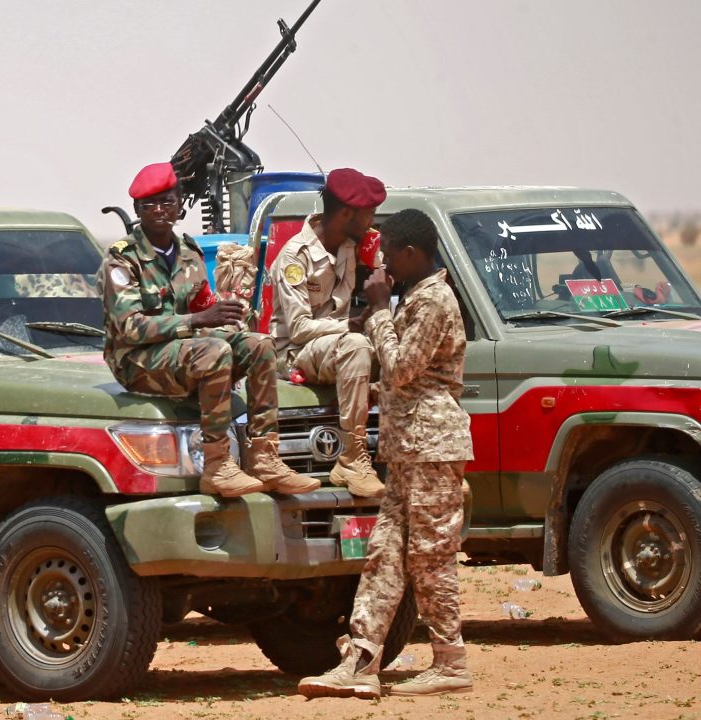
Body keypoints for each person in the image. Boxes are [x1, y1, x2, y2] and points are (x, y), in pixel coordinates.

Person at [298, 208, 474, 699]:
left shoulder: (434, 300)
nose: (384, 264)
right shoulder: (417, 298)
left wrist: (376, 313)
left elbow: (400, 368)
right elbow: (404, 380)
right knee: (385, 556)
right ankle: (360, 659)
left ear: (413, 253)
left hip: (432, 449)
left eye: (391, 253)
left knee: (430, 557)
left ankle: (450, 660)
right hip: (409, 450)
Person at [99, 162, 317, 497]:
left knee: (259, 345)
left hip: (181, 351)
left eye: (167, 202)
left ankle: (265, 458)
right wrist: (197, 322)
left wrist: (228, 316)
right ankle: (218, 465)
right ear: (138, 211)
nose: (159, 211)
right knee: (214, 351)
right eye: (149, 205)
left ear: (179, 203)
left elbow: (203, 307)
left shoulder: (189, 252)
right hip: (137, 361)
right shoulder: (122, 261)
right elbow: (130, 328)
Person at [272, 167, 387, 497]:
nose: (372, 223)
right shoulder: (296, 256)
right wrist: (348, 326)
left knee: (395, 343)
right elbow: (298, 328)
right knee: (356, 345)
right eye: (369, 215)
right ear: (347, 213)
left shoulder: (353, 245)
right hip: (297, 353)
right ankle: (353, 458)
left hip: (335, 346)